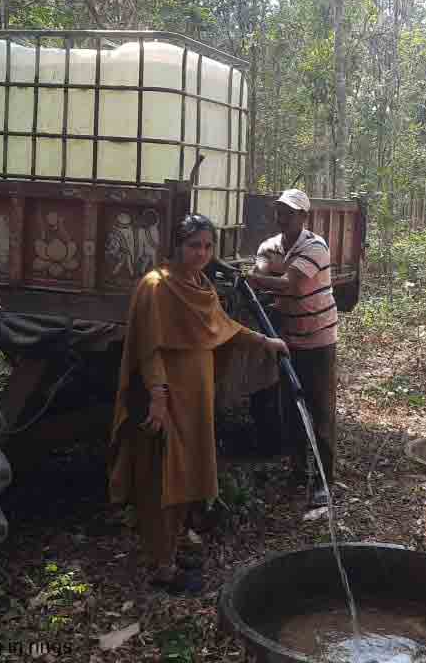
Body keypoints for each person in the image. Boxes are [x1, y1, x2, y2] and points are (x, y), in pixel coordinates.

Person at [108, 213, 288, 594]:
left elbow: (223, 327)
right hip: (167, 398)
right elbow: (148, 347)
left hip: (195, 399)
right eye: (194, 246)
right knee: (164, 476)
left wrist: (264, 343)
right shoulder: (156, 287)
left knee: (188, 473)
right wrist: (157, 396)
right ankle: (161, 566)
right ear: (177, 246)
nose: (202, 254)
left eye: (207, 247)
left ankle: (171, 550)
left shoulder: (201, 284)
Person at [246, 189, 339, 508]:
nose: (283, 216)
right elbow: (259, 269)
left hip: (319, 340)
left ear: (304, 217)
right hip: (288, 339)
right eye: (280, 211)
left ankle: (324, 480)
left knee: (320, 412)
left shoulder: (316, 246)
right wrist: (256, 276)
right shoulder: (269, 246)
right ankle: (298, 472)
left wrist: (255, 278)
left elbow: (289, 283)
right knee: (292, 410)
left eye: (291, 212)